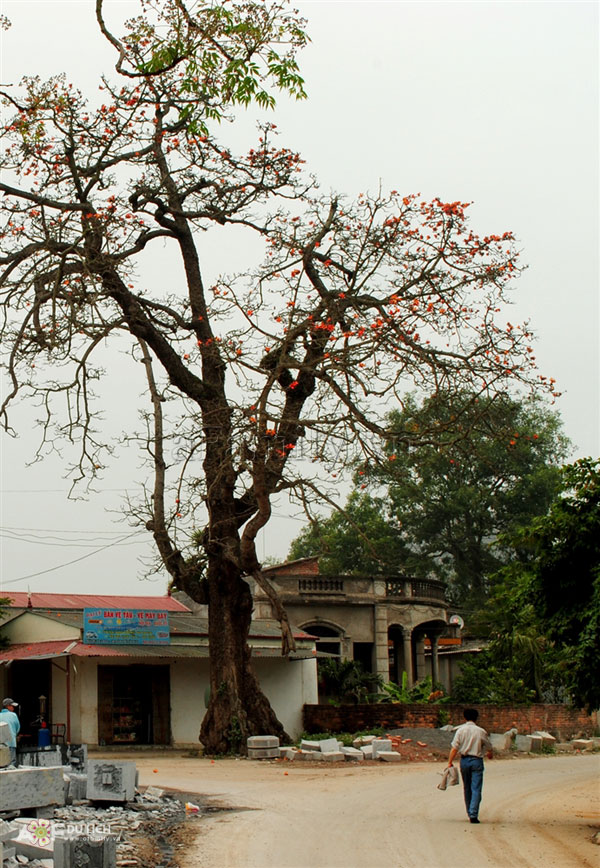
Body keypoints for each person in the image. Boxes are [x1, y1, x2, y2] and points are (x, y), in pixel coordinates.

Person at [447, 707, 492, 823]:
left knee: (467, 787)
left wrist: (450, 762)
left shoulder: (461, 731)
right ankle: (473, 814)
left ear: (464, 717)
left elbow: (454, 748)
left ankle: (469, 811)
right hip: (477, 761)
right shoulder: (481, 731)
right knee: (476, 788)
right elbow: (489, 747)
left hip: (465, 761)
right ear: (476, 718)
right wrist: (490, 754)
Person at [1, 697, 21, 768]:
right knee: (11, 765)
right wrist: (14, 734)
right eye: (12, 706)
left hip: (1, 744)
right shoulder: (13, 715)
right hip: (11, 743)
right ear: (8, 706)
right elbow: (17, 728)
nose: (13, 708)